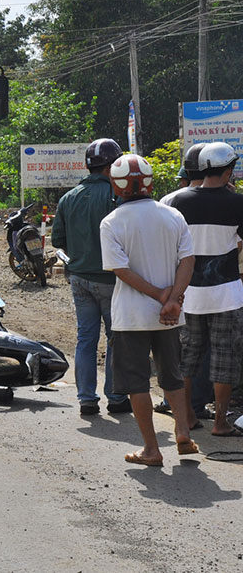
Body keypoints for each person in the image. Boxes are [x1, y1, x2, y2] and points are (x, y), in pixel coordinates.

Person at [99, 154, 198, 466]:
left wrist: (158, 295)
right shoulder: (173, 216)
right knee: (173, 375)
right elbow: (188, 260)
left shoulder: (112, 222)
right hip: (170, 316)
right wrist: (173, 298)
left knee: (136, 382)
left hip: (131, 317)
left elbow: (120, 270)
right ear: (151, 182)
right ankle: (183, 431)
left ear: (116, 187)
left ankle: (152, 450)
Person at [165, 142, 243, 437]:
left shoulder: (177, 201)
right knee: (225, 359)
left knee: (188, 358)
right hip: (226, 294)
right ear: (228, 170)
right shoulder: (238, 203)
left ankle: (185, 419)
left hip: (188, 295)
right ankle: (220, 422)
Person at [51, 138, 129, 416]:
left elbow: (57, 240)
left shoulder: (68, 197)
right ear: (113, 165)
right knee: (115, 338)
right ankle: (117, 397)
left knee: (86, 338)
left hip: (79, 279)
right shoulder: (117, 197)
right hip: (111, 280)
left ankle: (86, 398)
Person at [155, 143, 214, 421]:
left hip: (178, 284)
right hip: (219, 284)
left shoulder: (169, 201)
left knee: (182, 345)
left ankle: (175, 402)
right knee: (210, 345)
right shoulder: (227, 198)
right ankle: (199, 402)